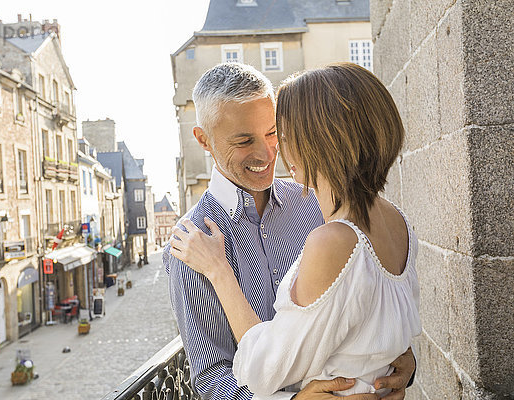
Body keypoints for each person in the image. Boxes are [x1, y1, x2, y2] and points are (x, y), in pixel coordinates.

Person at [163, 63, 416, 400]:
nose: (267, 153)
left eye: (272, 133)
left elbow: (365, 315)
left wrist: (396, 363)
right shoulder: (191, 245)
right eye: (243, 140)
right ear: (203, 140)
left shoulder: (318, 203)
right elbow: (212, 378)